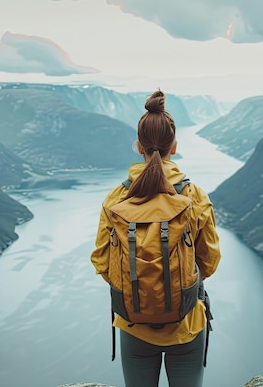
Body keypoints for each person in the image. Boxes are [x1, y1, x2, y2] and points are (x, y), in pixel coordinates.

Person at [91, 89, 221, 387]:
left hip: (133, 324)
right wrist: (177, 283)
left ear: (138, 146)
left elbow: (101, 262)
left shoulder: (117, 197)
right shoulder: (193, 196)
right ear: (173, 147)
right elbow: (210, 261)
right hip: (186, 323)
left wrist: (137, 285)